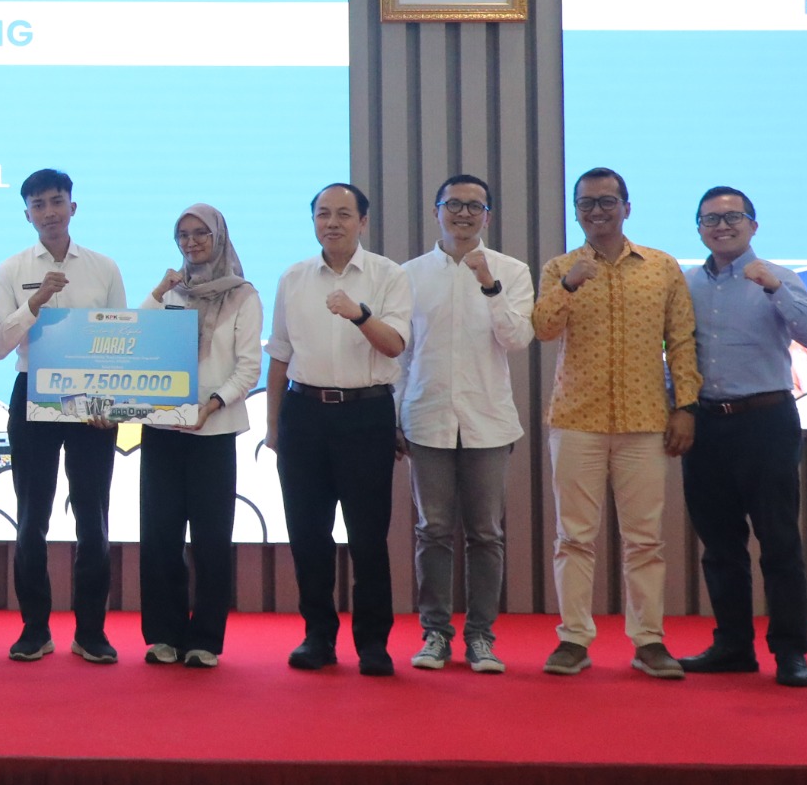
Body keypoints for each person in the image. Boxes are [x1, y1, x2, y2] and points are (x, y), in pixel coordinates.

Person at [531, 167, 699, 680]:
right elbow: (542, 329)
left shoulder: (661, 267)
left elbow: (682, 340)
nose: (597, 211)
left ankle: (649, 640)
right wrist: (568, 286)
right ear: (576, 212)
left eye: (607, 201)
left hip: (645, 420)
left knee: (645, 539)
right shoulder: (560, 267)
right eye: (586, 204)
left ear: (627, 207)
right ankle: (573, 639)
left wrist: (686, 406)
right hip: (576, 419)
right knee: (573, 537)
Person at [678, 186, 807, 688]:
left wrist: (775, 289)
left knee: (779, 541)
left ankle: (790, 652)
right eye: (710, 219)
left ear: (753, 225)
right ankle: (733, 646)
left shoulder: (779, 276)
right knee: (720, 544)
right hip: (705, 424)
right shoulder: (686, 283)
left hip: (766, 421)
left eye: (732, 217)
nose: (722, 226)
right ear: (699, 229)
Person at [265, 183, 413, 676]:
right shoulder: (293, 277)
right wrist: (273, 427)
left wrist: (360, 314)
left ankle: (373, 643)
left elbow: (394, 345)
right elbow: (280, 355)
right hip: (303, 414)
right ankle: (318, 636)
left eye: (343, 214)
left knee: (368, 536)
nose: (332, 223)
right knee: (308, 534)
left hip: (365, 415)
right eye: (323, 214)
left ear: (363, 221)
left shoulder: (388, 275)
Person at [397, 174, 535, 676]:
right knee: (432, 530)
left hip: (487, 422)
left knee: (485, 533)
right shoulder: (409, 275)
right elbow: (401, 355)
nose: (463, 213)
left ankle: (481, 637)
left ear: (488, 217)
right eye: (453, 204)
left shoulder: (511, 271)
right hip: (426, 417)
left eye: (474, 206)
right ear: (436, 211)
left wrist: (489, 286)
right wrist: (397, 414)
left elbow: (517, 339)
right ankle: (435, 633)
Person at [0, 168, 126, 664]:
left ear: (73, 207)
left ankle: (91, 632)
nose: (49, 212)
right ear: (27, 214)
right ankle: (34, 629)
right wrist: (36, 301)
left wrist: (109, 404)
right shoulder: (11, 269)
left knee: (93, 517)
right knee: (31, 518)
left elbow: (120, 340)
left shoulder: (104, 268)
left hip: (93, 399)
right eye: (38, 204)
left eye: (56, 201)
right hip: (34, 393)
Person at [137, 205, 262, 668]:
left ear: (219, 237)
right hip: (162, 430)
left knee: (211, 538)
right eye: (183, 235)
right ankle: (163, 635)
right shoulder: (170, 291)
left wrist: (211, 405)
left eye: (200, 233)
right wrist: (158, 291)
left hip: (215, 430)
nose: (191, 242)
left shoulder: (243, 295)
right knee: (159, 535)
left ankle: (205, 638)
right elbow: (138, 341)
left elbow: (248, 368)